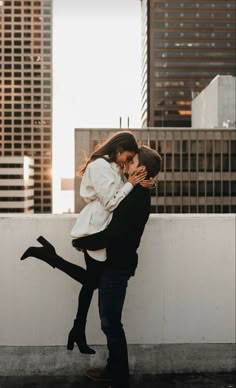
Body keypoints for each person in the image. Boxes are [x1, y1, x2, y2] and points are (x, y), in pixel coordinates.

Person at [20, 131, 146, 355]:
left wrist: (135, 180)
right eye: (127, 157)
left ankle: (77, 330)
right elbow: (109, 202)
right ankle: (50, 257)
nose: (127, 161)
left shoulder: (113, 167)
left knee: (90, 282)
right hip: (95, 226)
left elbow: (116, 197)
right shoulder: (99, 166)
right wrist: (130, 184)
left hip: (100, 226)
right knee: (92, 281)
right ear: (118, 150)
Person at [71, 145, 162, 388]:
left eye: (131, 161)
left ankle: (119, 375)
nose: (126, 165)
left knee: (110, 322)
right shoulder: (135, 191)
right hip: (114, 263)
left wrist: (80, 241)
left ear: (141, 169)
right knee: (110, 320)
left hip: (116, 267)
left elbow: (113, 234)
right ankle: (115, 369)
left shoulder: (136, 198)